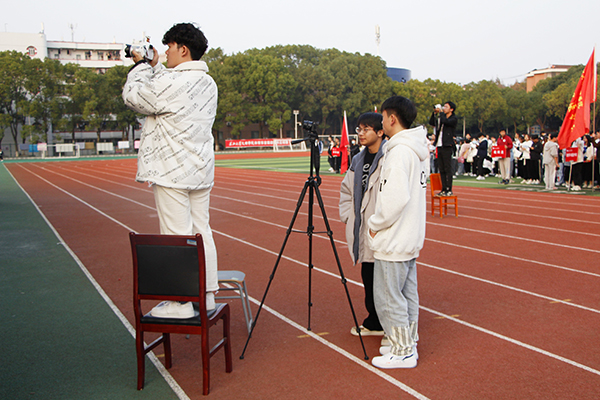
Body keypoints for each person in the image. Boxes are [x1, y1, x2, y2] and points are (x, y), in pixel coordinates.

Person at [122, 23, 219, 318]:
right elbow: (169, 86)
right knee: (202, 230)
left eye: (169, 47)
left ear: (183, 49)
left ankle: (180, 303)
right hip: (200, 169)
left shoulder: (171, 82)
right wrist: (155, 66)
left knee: (176, 236)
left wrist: (141, 65)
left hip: (171, 170)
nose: (165, 53)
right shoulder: (207, 82)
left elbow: (133, 96)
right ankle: (207, 294)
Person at [367, 95, 429, 369]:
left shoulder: (399, 153)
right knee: (406, 294)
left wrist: (375, 224)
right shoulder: (415, 149)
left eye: (382, 117)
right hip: (409, 235)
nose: (381, 122)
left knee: (388, 296)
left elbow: (394, 198)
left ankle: (402, 351)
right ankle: (406, 342)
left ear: (392, 118)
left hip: (394, 238)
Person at [340, 112, 387, 346]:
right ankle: (374, 322)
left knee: (386, 279)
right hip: (363, 227)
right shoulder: (358, 160)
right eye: (359, 129)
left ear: (380, 132)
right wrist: (348, 216)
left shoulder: (389, 157)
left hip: (384, 229)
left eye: (366, 129)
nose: (361, 133)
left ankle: (390, 324)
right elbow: (346, 190)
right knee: (368, 276)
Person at [429, 102, 457, 196]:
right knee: (441, 168)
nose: (444, 108)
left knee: (447, 168)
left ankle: (449, 189)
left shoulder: (453, 118)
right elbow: (432, 122)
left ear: (451, 109)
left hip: (447, 145)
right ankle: (443, 188)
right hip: (439, 145)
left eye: (446, 107)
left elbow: (446, 122)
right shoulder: (441, 117)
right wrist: (434, 113)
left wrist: (441, 113)